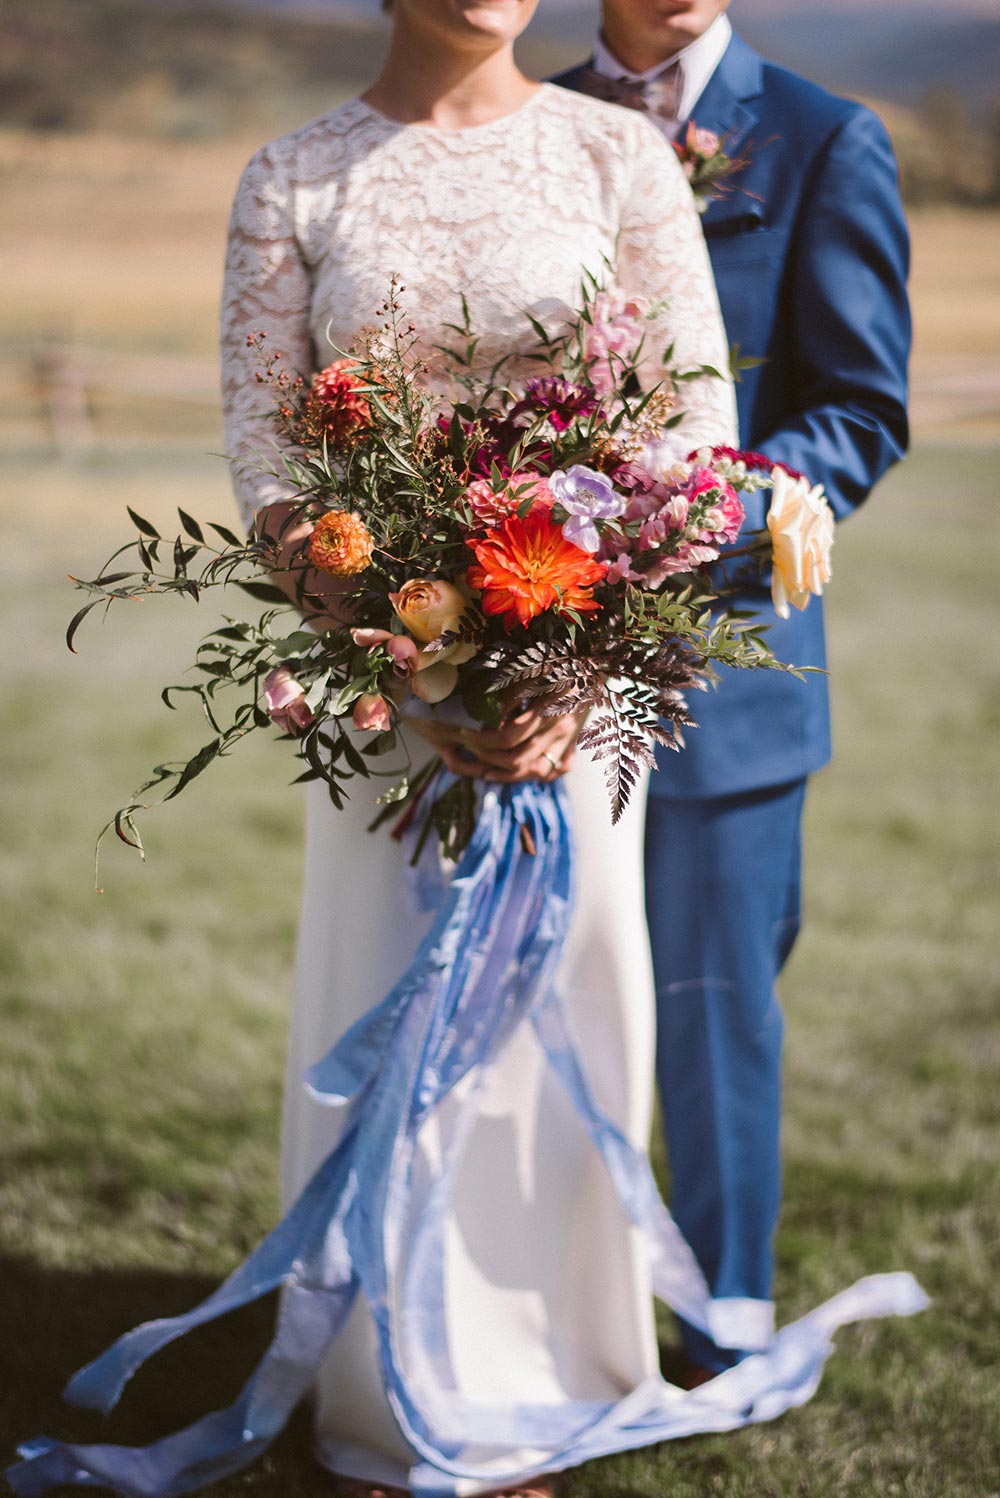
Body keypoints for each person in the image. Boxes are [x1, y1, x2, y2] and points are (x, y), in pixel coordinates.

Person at [554, 0, 912, 1379]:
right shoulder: (526, 125)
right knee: (528, 1002)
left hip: (727, 659)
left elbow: (861, 404)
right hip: (520, 654)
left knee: (711, 1013)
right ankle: (537, 1306)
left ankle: (723, 1332)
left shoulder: (828, 139)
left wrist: (722, 500)